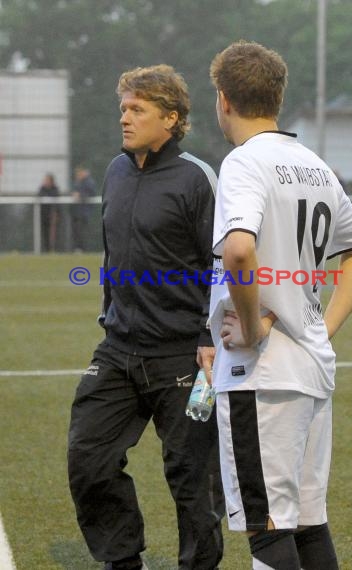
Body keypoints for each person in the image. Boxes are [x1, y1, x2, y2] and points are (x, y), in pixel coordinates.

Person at [208, 41, 352, 570]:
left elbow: (238, 247)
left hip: (263, 375)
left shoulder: (243, 162)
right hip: (309, 365)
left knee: (267, 531)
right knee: (307, 525)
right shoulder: (313, 164)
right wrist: (321, 327)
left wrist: (255, 333)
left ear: (224, 100)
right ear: (277, 97)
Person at [68, 64, 224, 570]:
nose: (125, 118)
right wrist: (109, 314)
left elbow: (222, 263)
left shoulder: (198, 178)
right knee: (88, 461)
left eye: (138, 109)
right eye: (123, 109)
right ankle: (123, 561)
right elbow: (113, 256)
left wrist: (207, 332)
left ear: (171, 118)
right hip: (117, 350)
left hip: (183, 357)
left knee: (190, 481)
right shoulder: (115, 171)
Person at [71, 165, 96, 252]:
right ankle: (78, 248)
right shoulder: (77, 182)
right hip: (77, 212)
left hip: (84, 212)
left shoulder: (89, 182)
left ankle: (83, 249)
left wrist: (80, 195)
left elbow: (90, 194)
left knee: (83, 231)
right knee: (76, 231)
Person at [37, 173, 59, 252]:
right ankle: (46, 250)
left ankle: (54, 249)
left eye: (47, 180)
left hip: (52, 214)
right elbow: (39, 196)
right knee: (45, 233)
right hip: (44, 215)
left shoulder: (55, 189)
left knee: (53, 234)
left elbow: (56, 198)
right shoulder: (42, 188)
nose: (45, 181)